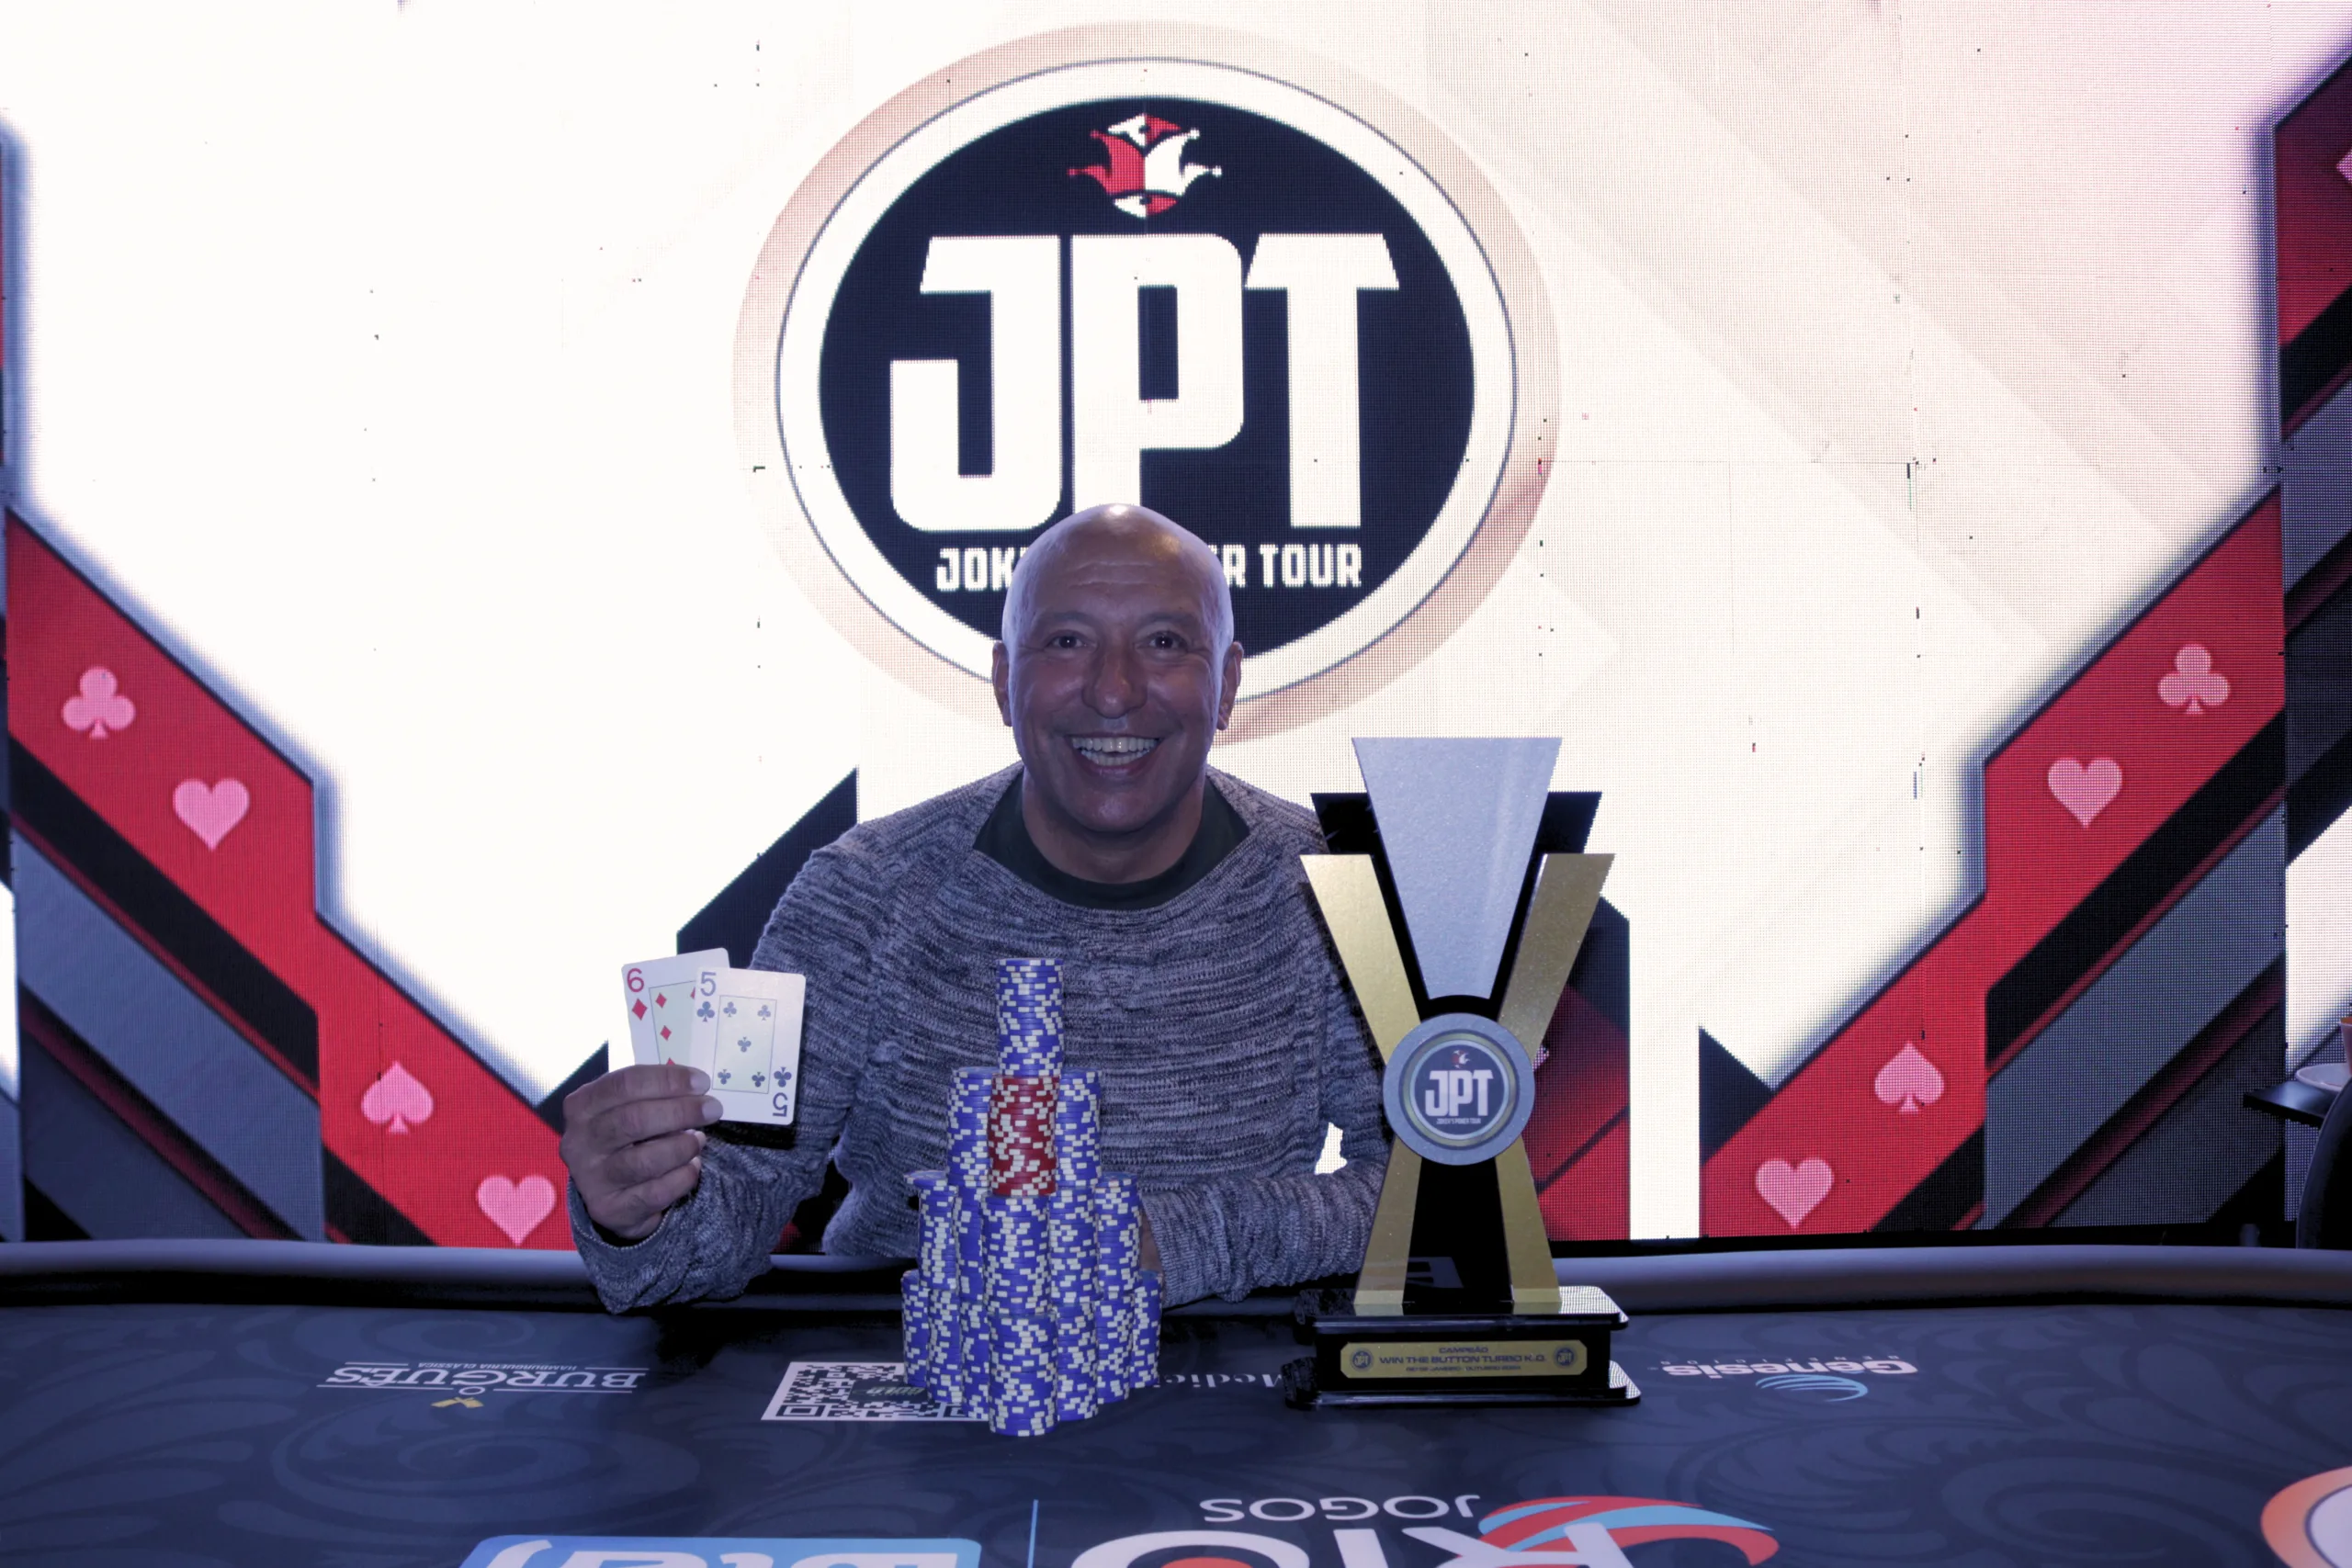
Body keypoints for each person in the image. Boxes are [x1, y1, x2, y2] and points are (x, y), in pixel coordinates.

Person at [560, 504, 1385, 1308]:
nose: (1114, 690)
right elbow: (709, 1232)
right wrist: (636, 1213)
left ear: (1228, 682)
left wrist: (1170, 1241)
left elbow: (1424, 1193)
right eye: (1067, 641)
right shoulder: (861, 891)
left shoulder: (1336, 888)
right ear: (1002, 680)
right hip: (903, 1364)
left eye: (1164, 642)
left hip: (1238, 1371)